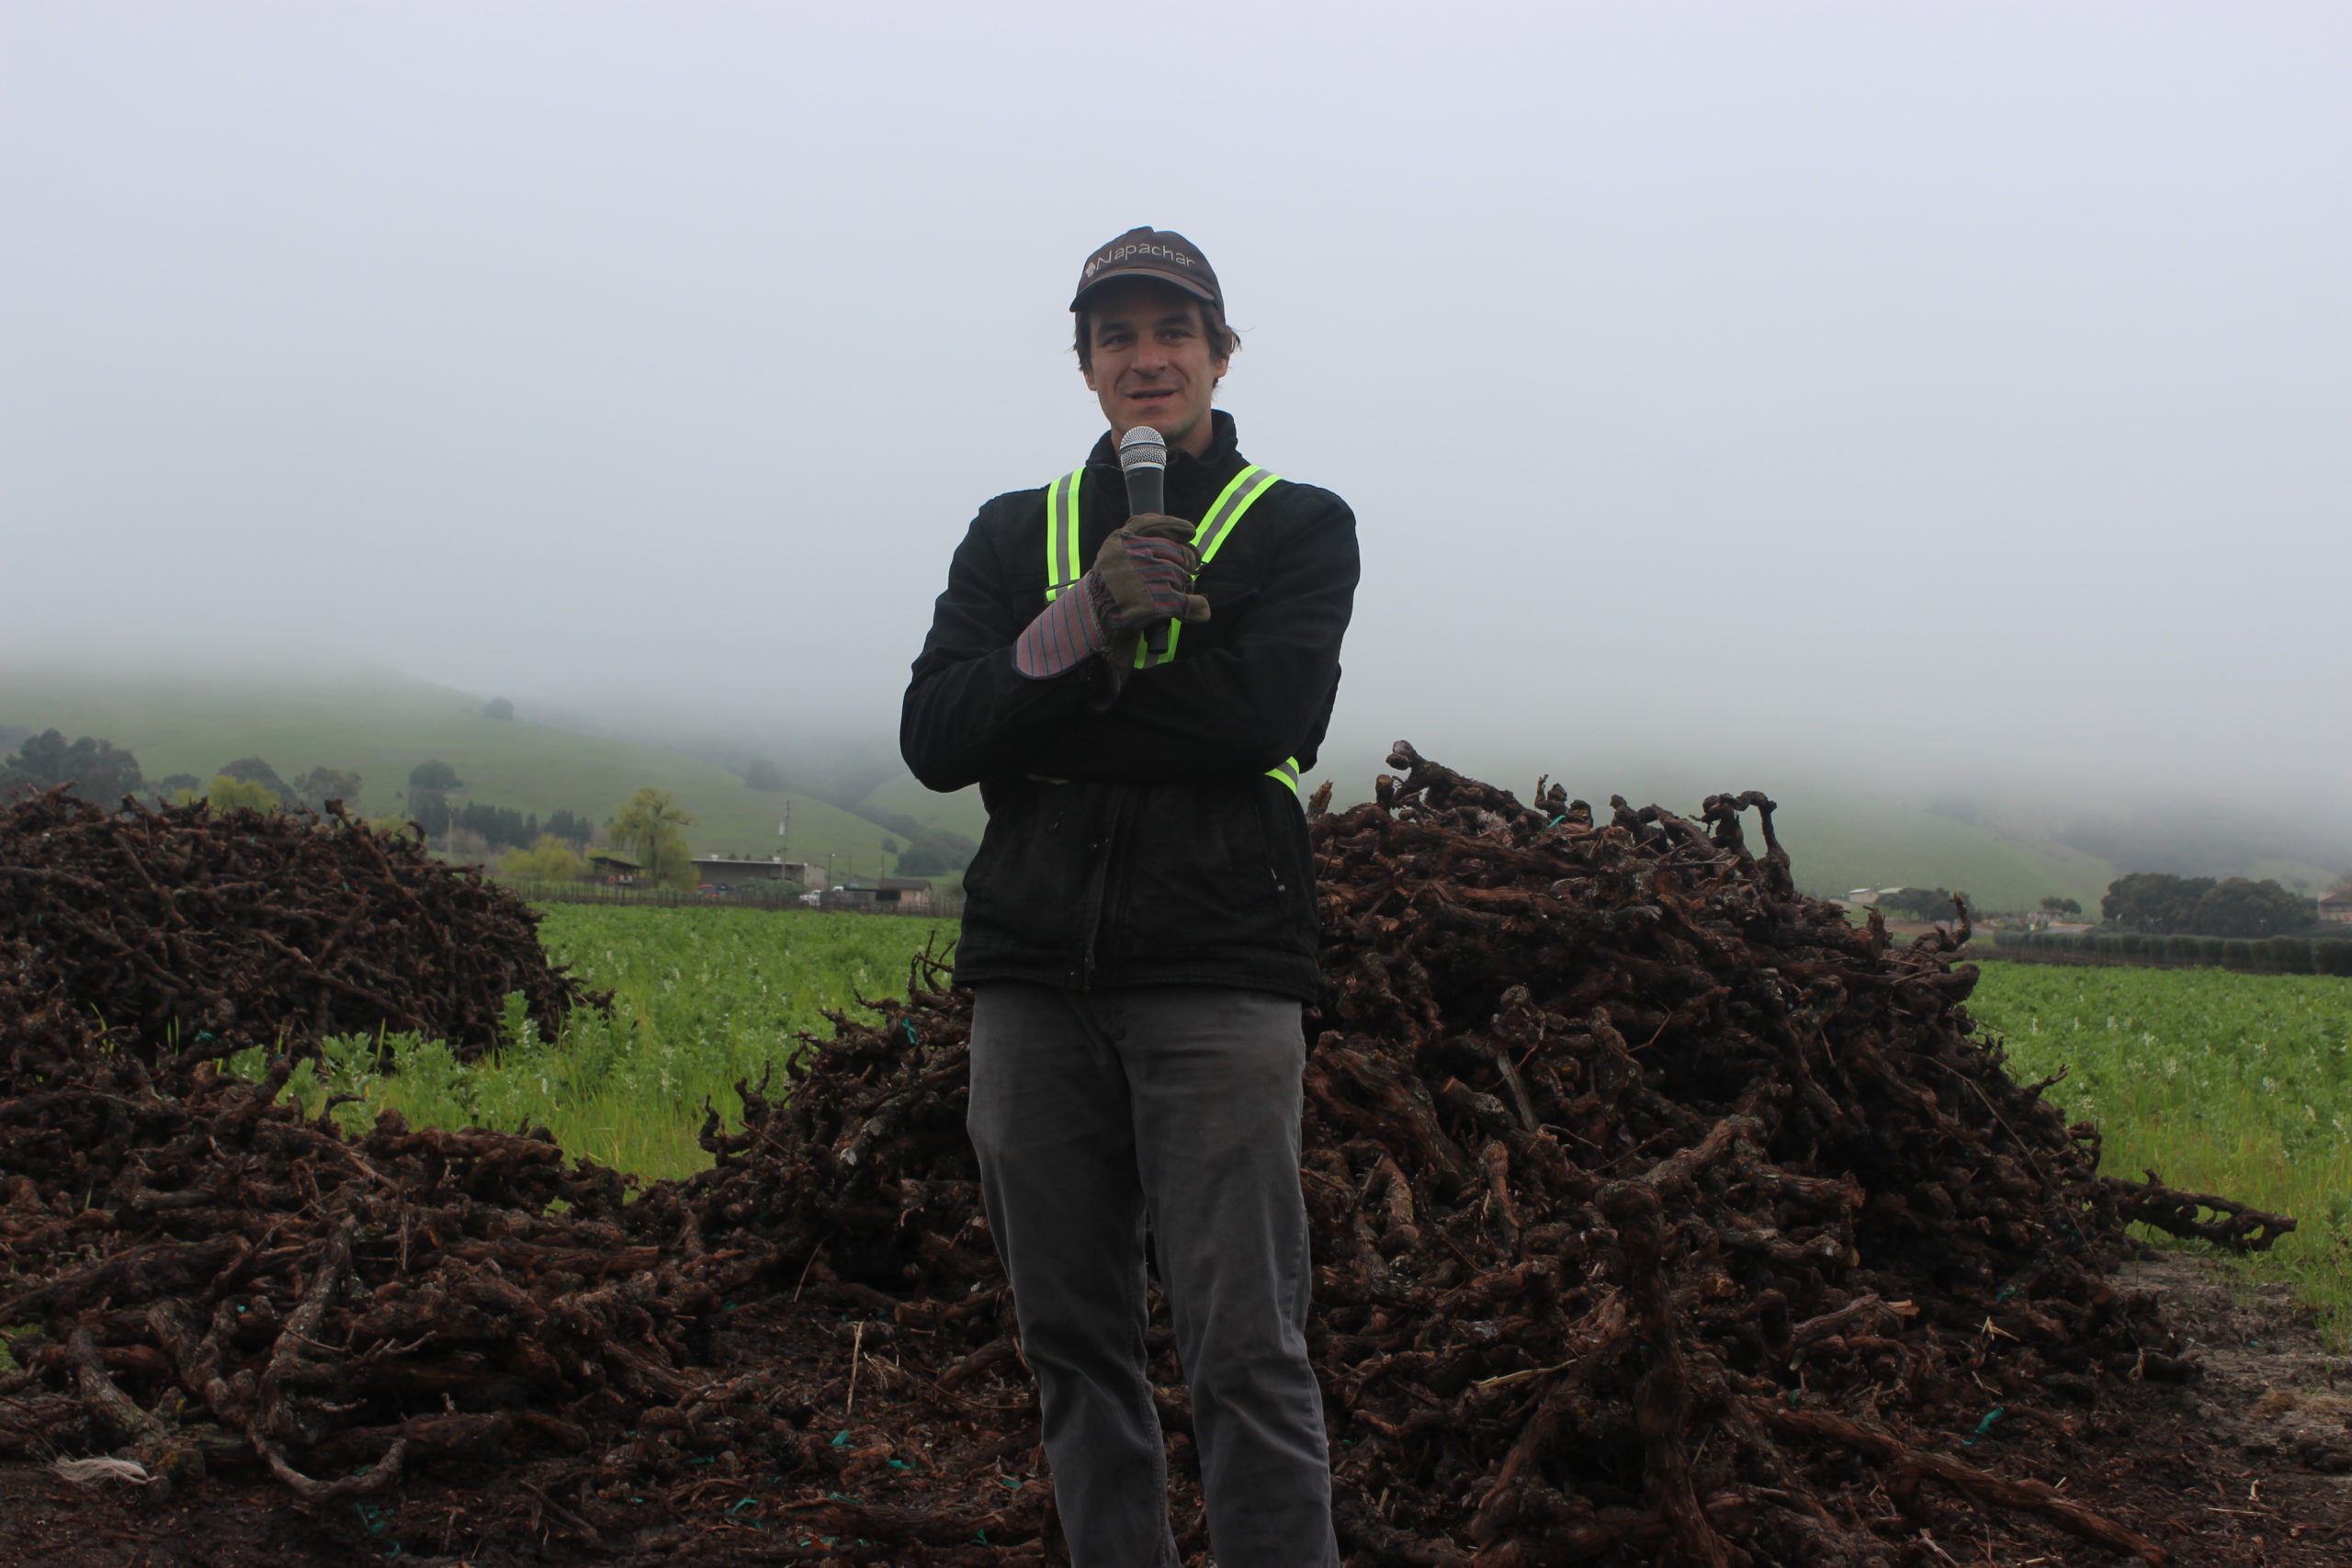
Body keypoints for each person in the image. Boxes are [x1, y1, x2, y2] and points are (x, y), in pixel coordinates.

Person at [901, 226, 1359, 1568]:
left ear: (1221, 352)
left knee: (1245, 1344)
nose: (1146, 359)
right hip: (1032, 981)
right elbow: (935, 737)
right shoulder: (1013, 532)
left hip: (1218, 975)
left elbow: (1262, 719)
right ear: (1086, 363)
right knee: (1070, 1342)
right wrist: (1081, 621)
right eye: (1117, 336)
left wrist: (1044, 704)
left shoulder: (1298, 526)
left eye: (1173, 332)